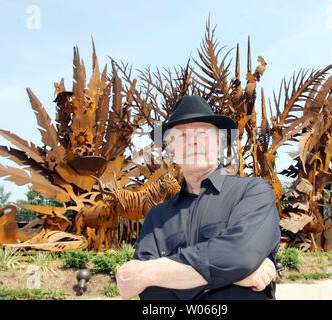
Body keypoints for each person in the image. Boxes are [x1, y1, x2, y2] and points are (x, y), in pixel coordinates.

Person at [116, 95, 280, 300]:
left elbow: (241, 256)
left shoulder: (253, 193)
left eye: (202, 134)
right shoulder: (157, 218)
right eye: (182, 136)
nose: (193, 141)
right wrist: (235, 273)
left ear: (219, 144)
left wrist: (150, 273)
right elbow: (149, 293)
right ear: (171, 150)